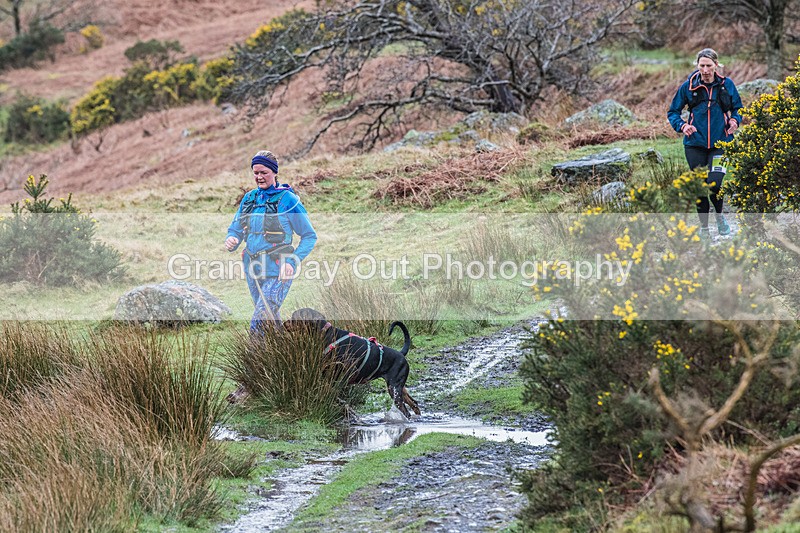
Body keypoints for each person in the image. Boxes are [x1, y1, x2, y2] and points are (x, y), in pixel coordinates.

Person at [225, 150, 317, 334]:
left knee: (259, 322)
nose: (259, 177)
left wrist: (292, 261)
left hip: (279, 268)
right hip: (253, 267)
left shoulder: (288, 200)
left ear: (274, 172)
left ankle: (251, 362)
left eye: (263, 172)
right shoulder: (249, 198)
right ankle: (281, 359)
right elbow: (236, 227)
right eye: (255, 172)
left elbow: (309, 236)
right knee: (269, 321)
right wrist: (232, 238)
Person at [668, 48, 743, 239]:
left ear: (716, 65)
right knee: (700, 186)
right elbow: (673, 112)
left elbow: (738, 109)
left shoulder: (727, 85)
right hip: (695, 145)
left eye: (709, 65)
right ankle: (704, 228)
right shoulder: (688, 86)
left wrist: (735, 121)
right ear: (697, 65)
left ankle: (719, 218)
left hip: (722, 143)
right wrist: (682, 126)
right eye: (702, 65)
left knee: (715, 184)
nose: (705, 70)